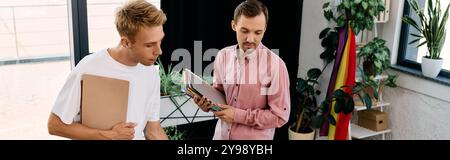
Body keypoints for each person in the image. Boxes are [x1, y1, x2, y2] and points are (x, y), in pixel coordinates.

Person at [47, 0, 168, 140]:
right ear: (126, 42)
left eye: (160, 41)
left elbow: (153, 131)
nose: (159, 51)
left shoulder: (150, 72)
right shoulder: (89, 67)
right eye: (149, 45)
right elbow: (55, 125)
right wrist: (110, 135)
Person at [194, 0, 291, 140]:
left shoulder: (276, 66)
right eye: (244, 31)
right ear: (234, 25)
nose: (250, 39)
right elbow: (220, 95)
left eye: (258, 32)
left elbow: (279, 116)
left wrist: (237, 115)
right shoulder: (223, 56)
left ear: (265, 29)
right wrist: (207, 104)